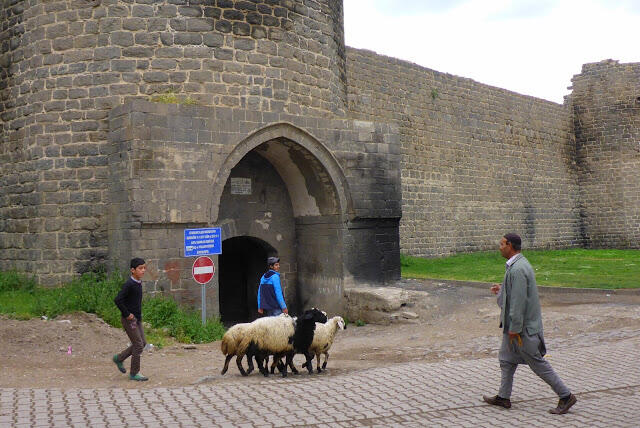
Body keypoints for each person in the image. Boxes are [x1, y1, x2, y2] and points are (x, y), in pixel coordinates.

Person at [483, 233, 577, 414]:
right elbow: (515, 295)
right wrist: (501, 291)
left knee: (537, 363)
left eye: (502, 244)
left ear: (510, 245)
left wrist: (514, 328)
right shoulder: (516, 265)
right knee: (506, 360)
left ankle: (565, 396)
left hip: (522, 330)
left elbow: (518, 302)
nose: (499, 247)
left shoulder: (518, 269)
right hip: (516, 328)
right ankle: (503, 397)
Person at [112, 258, 149, 381]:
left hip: (137, 320)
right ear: (133, 270)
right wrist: (127, 314)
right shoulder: (129, 284)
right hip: (129, 320)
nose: (143, 270)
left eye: (144, 268)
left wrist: (138, 317)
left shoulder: (138, 283)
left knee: (142, 343)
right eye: (140, 268)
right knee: (138, 345)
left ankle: (119, 358)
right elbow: (118, 300)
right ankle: (134, 373)